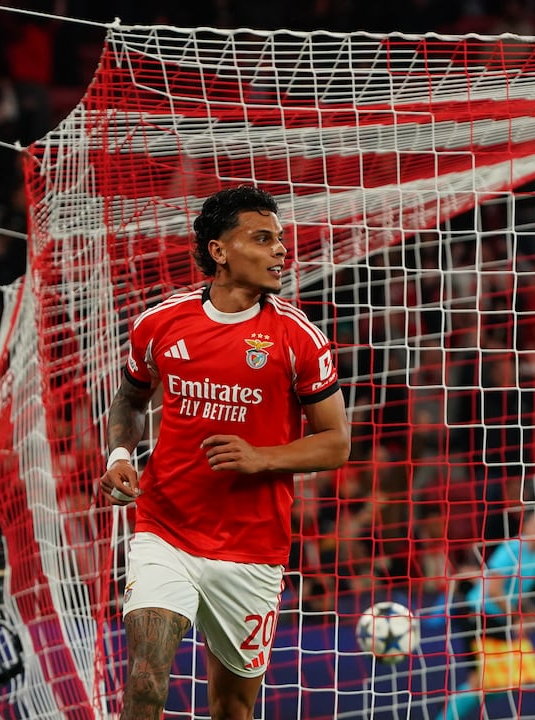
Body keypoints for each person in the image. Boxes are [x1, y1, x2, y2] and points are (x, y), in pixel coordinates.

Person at [99, 185, 350, 720]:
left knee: (232, 708)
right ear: (219, 251)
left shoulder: (299, 338)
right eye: (262, 239)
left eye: (280, 239)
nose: (281, 250)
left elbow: (336, 442)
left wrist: (262, 457)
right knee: (145, 680)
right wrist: (119, 455)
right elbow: (130, 398)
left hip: (252, 546)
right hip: (165, 526)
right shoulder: (159, 323)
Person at [438, 507, 535, 720]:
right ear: (526, 526)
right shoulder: (511, 549)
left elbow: (516, 593)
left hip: (498, 621)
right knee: (479, 682)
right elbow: (493, 590)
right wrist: (517, 616)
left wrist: (530, 613)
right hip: (477, 616)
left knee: (505, 681)